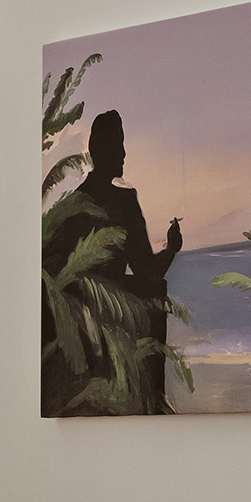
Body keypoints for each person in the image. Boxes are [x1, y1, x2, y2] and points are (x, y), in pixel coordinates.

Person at [45, 110, 182, 413]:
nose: (123, 152)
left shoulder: (71, 206)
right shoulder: (124, 202)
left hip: (75, 334)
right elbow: (147, 274)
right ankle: (153, 399)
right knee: (155, 294)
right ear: (104, 150)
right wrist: (172, 249)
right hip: (115, 329)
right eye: (118, 144)